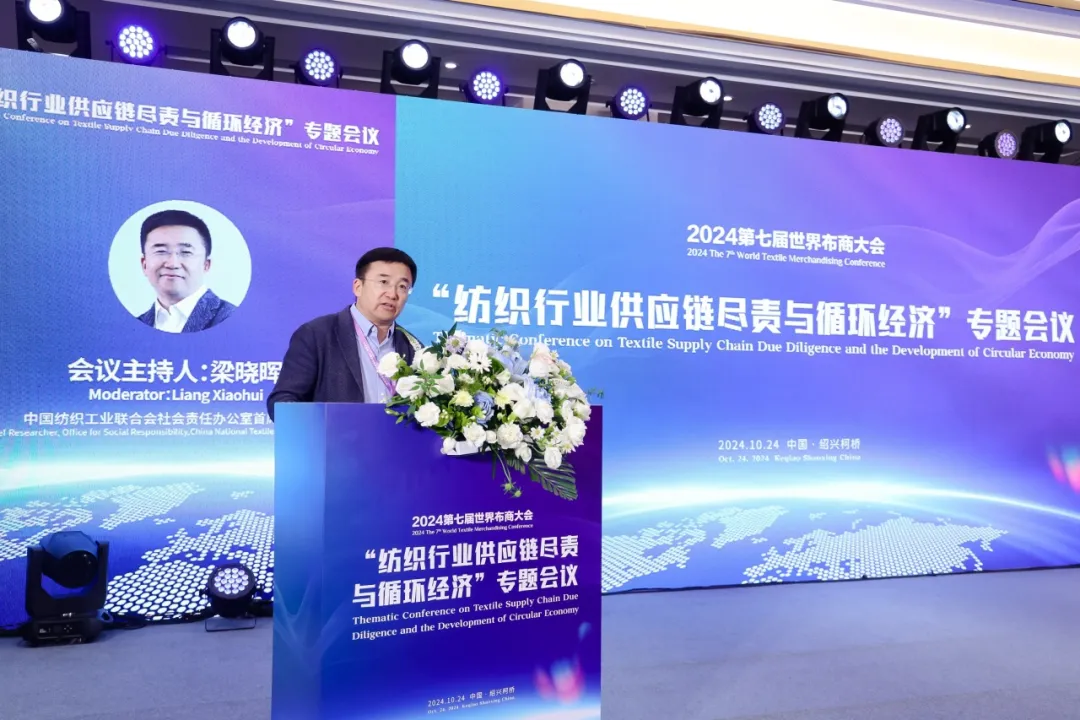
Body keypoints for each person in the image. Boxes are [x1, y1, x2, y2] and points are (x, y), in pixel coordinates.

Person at [267, 247, 423, 421]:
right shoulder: (317, 335)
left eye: (402, 286)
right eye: (383, 282)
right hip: (333, 438)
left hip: (395, 439)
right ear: (358, 287)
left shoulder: (414, 347)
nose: (392, 294)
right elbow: (283, 401)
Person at [136, 209, 236, 333]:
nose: (172, 264)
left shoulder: (231, 319)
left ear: (206, 264)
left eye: (185, 252)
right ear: (144, 264)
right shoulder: (134, 326)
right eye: (161, 251)